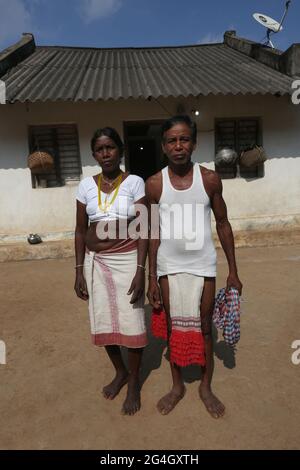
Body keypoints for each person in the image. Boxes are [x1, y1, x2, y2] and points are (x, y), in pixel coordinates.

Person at [146, 115, 242, 418]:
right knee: (174, 326)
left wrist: (234, 271)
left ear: (194, 143)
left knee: (203, 326)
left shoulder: (210, 179)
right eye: (172, 140)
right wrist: (151, 277)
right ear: (163, 146)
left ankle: (205, 386)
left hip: (203, 265)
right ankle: (177, 386)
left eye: (184, 139)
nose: (178, 146)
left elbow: (223, 224)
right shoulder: (155, 184)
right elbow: (152, 233)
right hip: (168, 267)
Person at [74, 127, 148, 416]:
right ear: (94, 154)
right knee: (103, 320)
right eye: (100, 149)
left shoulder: (135, 183)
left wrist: (141, 269)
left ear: (120, 150)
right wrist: (79, 269)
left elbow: (144, 227)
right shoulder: (85, 186)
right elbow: (80, 230)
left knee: (133, 321)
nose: (105, 154)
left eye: (110, 148)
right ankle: (121, 373)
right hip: (96, 262)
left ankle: (134, 384)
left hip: (128, 259)